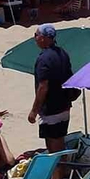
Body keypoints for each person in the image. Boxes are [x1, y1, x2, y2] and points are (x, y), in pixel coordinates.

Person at [28, 24, 75, 161]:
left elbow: (43, 86)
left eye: (36, 35)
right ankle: (61, 175)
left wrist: (34, 111)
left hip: (51, 108)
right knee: (59, 142)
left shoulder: (44, 58)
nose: (35, 38)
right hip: (64, 105)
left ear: (43, 38)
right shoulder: (62, 53)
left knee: (53, 148)